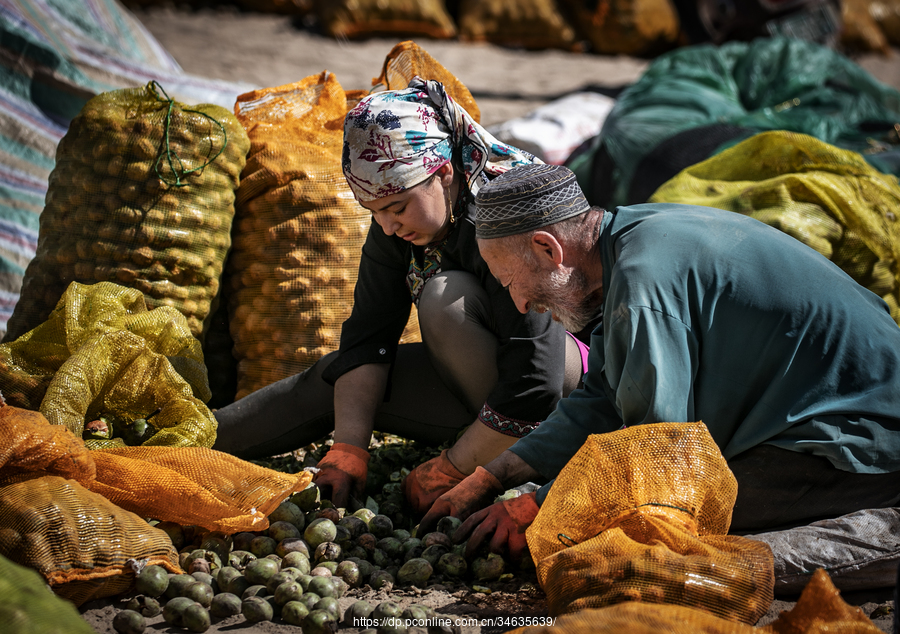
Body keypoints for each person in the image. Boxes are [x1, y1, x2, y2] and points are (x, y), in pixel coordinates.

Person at [421, 163, 900, 561]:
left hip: (860, 436)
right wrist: (496, 474)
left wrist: (538, 508)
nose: (521, 305)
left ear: (549, 248)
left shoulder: (642, 283)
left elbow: (658, 452)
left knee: (655, 534)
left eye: (511, 282)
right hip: (815, 412)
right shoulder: (624, 240)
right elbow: (603, 398)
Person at [212, 79, 589, 510]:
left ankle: (518, 463)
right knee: (331, 381)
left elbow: (535, 379)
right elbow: (367, 340)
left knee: (444, 296)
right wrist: (349, 448)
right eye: (376, 214)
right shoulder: (398, 228)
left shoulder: (509, 212)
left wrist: (454, 467)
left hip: (568, 402)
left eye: (398, 208)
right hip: (490, 393)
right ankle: (192, 440)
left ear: (443, 172)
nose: (390, 227)